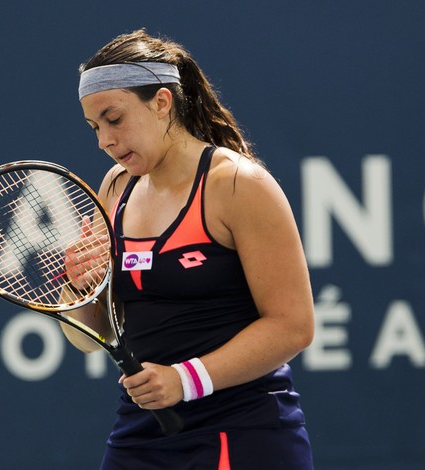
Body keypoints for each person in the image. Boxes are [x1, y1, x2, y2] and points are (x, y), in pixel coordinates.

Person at [62, 29, 315, 469]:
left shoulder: (238, 184)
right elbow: (94, 337)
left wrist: (184, 379)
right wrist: (80, 290)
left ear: (162, 102)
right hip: (140, 432)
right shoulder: (115, 187)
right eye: (94, 127)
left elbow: (293, 327)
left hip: (241, 430)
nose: (104, 139)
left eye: (114, 118)